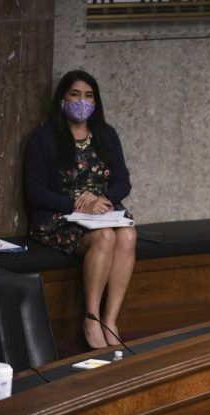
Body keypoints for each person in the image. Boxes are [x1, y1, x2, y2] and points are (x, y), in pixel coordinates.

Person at [23, 70, 136, 349]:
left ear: (95, 102)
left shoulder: (106, 134)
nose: (81, 101)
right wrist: (76, 203)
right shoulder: (43, 137)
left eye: (88, 96)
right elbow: (35, 191)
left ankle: (111, 319)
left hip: (102, 212)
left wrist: (103, 199)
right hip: (58, 216)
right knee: (106, 238)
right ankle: (91, 317)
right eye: (75, 94)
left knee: (127, 236)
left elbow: (123, 181)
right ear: (62, 98)